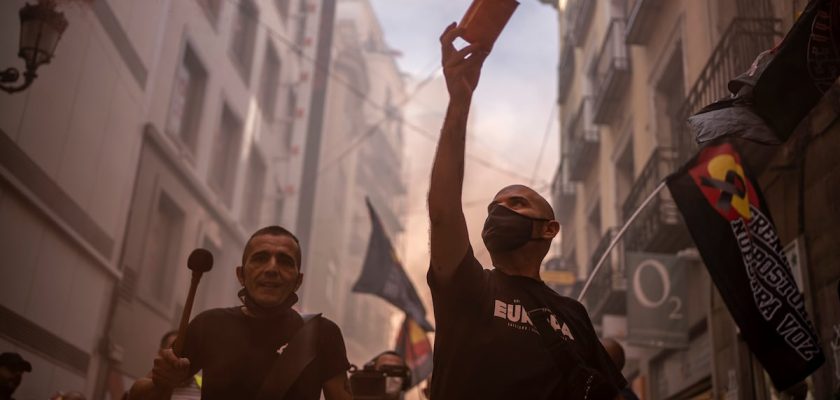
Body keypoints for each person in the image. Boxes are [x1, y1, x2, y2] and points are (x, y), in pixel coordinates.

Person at [426, 23, 628, 399]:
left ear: (549, 229)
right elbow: (442, 210)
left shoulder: (573, 315)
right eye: (494, 206)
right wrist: (459, 102)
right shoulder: (469, 286)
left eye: (516, 203)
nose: (500, 210)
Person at [129, 226, 352, 400]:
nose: (272, 269)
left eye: (284, 261)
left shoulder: (323, 334)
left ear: (298, 280)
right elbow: (138, 394)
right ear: (241, 275)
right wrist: (161, 381)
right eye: (260, 258)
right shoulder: (208, 325)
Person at [157, 330, 201, 399]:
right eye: (174, 350)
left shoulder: (207, 388)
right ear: (161, 354)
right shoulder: (151, 390)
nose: (181, 356)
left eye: (186, 349)